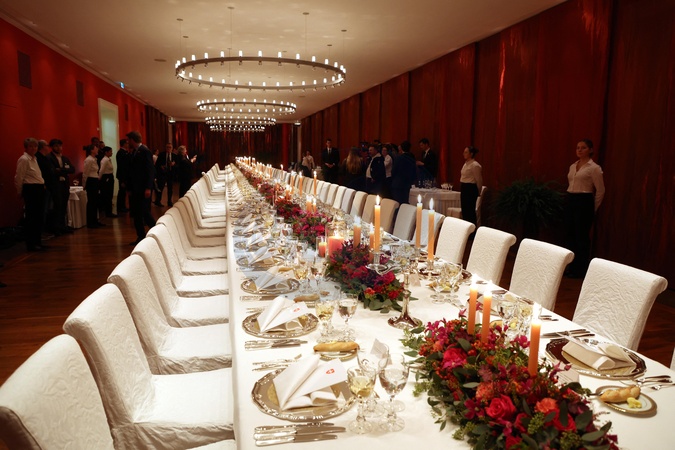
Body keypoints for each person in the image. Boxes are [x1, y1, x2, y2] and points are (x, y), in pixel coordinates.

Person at [565, 139, 605, 278]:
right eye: (578, 147)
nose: (580, 150)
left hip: (584, 201)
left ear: (590, 150)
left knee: (581, 237)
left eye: (583, 148)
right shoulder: (572, 166)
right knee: (570, 235)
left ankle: (580, 270)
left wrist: (592, 208)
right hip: (571, 199)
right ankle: (570, 267)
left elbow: (600, 190)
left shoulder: (594, 168)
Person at [14, 138, 46, 251]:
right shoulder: (24, 159)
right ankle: (31, 244)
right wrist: (19, 191)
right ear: (26, 148)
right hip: (31, 189)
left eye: (35, 146)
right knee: (32, 217)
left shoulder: (34, 159)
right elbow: (19, 177)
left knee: (39, 216)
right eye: (31, 146)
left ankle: (38, 241)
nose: (34, 148)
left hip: (38, 189)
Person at [126, 130, 156, 245]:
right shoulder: (134, 152)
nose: (127, 142)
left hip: (143, 188)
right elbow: (131, 172)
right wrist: (129, 188)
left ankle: (158, 232)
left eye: (128, 140)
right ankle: (141, 236)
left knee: (145, 212)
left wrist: (148, 187)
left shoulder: (144, 151)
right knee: (136, 214)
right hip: (135, 189)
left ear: (132, 140)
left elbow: (150, 171)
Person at [47, 138, 75, 234]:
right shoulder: (49, 157)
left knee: (64, 205)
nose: (59, 148)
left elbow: (72, 169)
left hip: (64, 184)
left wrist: (61, 170)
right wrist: (64, 170)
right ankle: (56, 227)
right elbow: (52, 171)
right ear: (52, 147)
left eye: (60, 146)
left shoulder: (65, 158)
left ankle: (63, 226)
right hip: (55, 185)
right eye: (56, 146)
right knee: (57, 206)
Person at [35, 140, 57, 235]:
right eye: (47, 145)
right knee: (43, 210)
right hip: (43, 187)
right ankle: (41, 232)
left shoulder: (45, 158)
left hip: (49, 186)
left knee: (49, 209)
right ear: (43, 147)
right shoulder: (38, 158)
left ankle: (47, 229)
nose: (49, 147)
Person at [460, 146, 483, 227]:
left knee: (470, 211)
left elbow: (479, 180)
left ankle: (472, 230)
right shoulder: (465, 164)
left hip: (470, 189)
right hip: (464, 187)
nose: (464, 154)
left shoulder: (475, 165)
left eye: (466, 152)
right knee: (464, 210)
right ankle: (466, 229)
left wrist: (479, 191)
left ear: (471, 154)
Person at [82, 144, 104, 228]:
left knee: (95, 201)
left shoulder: (94, 159)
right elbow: (85, 173)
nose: (97, 149)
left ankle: (95, 220)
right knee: (91, 202)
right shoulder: (89, 160)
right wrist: (84, 184)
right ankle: (91, 222)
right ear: (91, 150)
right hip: (91, 181)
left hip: (94, 181)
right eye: (96, 148)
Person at [390, 140, 417, 205]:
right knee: (405, 203)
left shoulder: (399, 158)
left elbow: (394, 171)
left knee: (397, 203)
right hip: (407, 184)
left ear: (401, 148)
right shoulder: (412, 158)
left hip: (398, 184)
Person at [99, 146, 116, 218]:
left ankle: (109, 211)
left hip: (109, 177)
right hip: (106, 178)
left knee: (110, 195)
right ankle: (108, 212)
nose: (112, 153)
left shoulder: (108, 159)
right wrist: (99, 178)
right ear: (106, 152)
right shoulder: (105, 160)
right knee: (107, 195)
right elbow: (101, 170)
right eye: (110, 151)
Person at [115, 138, 131, 213]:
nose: (128, 144)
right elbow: (122, 167)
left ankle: (123, 206)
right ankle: (120, 207)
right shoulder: (121, 153)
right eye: (127, 143)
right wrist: (122, 180)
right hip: (122, 176)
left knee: (124, 192)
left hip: (124, 176)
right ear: (124, 144)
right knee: (122, 192)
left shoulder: (124, 152)